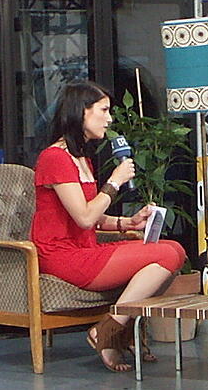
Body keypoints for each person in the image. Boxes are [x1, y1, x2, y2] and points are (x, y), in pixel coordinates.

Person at [30, 80, 186, 373]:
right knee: (167, 254)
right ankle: (107, 332)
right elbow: (85, 218)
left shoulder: (81, 158)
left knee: (172, 250)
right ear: (82, 113)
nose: (110, 118)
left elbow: (95, 218)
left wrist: (127, 222)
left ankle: (120, 331)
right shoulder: (54, 158)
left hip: (85, 248)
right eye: (103, 110)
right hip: (62, 256)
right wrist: (114, 182)